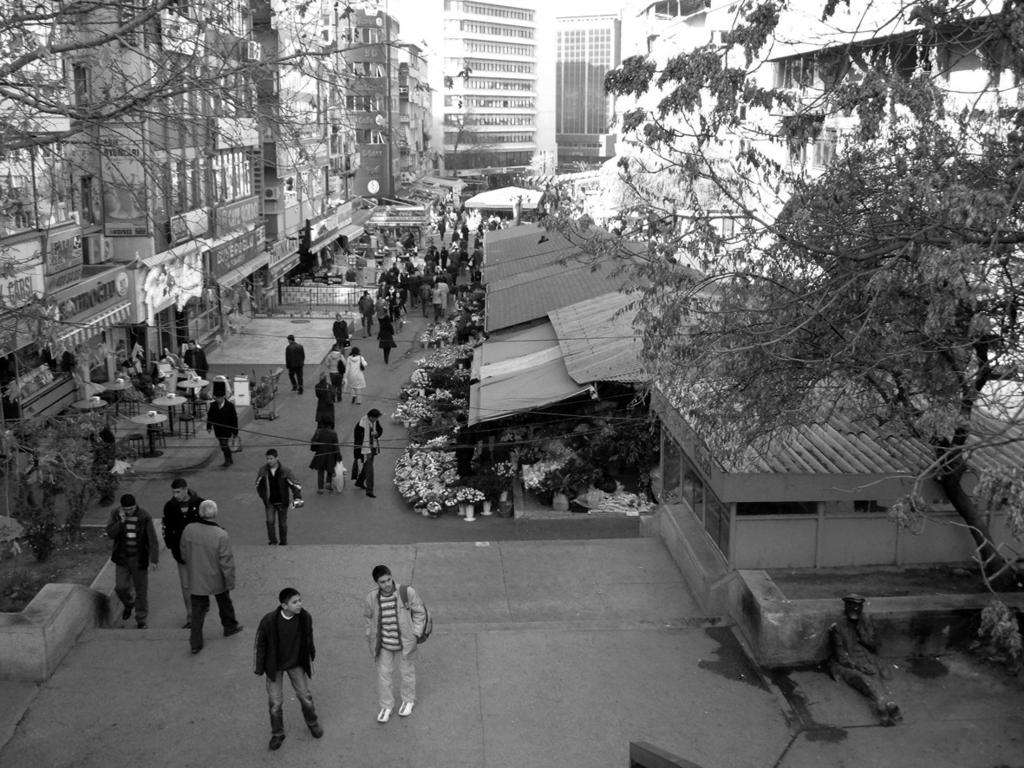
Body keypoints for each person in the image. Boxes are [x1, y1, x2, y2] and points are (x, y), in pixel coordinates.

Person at [254, 587, 323, 750]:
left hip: (296, 663)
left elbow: (308, 639)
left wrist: (310, 656)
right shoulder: (269, 620)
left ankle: (312, 722)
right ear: (284, 606)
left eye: (300, 600)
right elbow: (260, 644)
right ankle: (277, 733)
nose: (299, 604)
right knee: (275, 702)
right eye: (295, 602)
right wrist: (259, 666)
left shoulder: (305, 617)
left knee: (305, 695)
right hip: (274, 666)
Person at [363, 565, 426, 723]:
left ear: (392, 576)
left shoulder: (406, 592)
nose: (387, 584)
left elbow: (419, 612)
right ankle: (386, 705)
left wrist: (416, 633)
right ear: (377, 583)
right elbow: (368, 618)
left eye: (389, 579)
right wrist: (369, 634)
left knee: (407, 673)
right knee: (384, 676)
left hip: (405, 643)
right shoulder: (371, 597)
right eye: (382, 582)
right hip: (383, 643)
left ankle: (408, 700)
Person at [828, 594, 902, 726]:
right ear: (847, 607)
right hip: (849, 662)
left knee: (878, 675)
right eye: (852, 606)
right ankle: (881, 702)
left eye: (858, 606)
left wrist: (861, 633)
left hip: (866, 658)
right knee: (863, 678)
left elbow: (874, 645)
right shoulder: (838, 627)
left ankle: (888, 703)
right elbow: (840, 655)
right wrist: (856, 665)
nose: (855, 609)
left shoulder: (865, 622)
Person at [181, 500, 242, 654]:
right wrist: (229, 581)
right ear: (215, 513)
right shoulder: (221, 535)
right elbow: (226, 561)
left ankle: (195, 642)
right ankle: (230, 626)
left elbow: (183, 552)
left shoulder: (189, 529)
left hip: (197, 577)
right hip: (216, 577)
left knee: (197, 611)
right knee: (224, 602)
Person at [105, 493, 159, 629]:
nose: (129, 512)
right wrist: (121, 522)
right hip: (122, 558)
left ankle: (141, 619)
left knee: (141, 590)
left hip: (139, 558)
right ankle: (129, 604)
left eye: (131, 509)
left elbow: (152, 538)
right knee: (120, 587)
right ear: (122, 508)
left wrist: (154, 559)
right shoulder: (116, 514)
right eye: (126, 509)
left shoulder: (144, 516)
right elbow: (110, 534)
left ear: (135, 506)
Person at [162, 478, 205, 629]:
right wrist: (171, 545)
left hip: (199, 553)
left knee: (199, 583)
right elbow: (167, 527)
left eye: (178, 492)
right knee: (186, 586)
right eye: (173, 492)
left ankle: (203, 604)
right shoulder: (170, 507)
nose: (175, 495)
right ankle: (191, 617)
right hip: (181, 554)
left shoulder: (200, 504)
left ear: (186, 489)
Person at [255, 449, 303, 546]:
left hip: (282, 502)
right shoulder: (263, 470)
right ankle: (273, 541)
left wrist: (297, 497)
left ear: (277, 458)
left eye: (271, 458)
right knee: (270, 522)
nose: (269, 461)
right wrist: (263, 496)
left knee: (282, 524)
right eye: (267, 459)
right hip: (270, 503)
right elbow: (258, 485)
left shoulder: (285, 471)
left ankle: (283, 542)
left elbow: (295, 485)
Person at [352, 408, 383, 498]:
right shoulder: (361, 424)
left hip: (372, 447)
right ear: (371, 417)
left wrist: (376, 434)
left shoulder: (375, 422)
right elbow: (358, 439)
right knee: (370, 469)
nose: (377, 420)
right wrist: (370, 436)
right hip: (364, 449)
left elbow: (380, 430)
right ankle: (370, 490)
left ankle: (360, 482)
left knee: (366, 466)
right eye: (376, 418)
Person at [206, 386, 239, 468]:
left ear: (223, 397)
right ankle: (229, 458)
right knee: (222, 445)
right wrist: (209, 426)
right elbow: (210, 416)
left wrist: (235, 431)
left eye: (220, 398)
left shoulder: (230, 406)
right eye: (217, 398)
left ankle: (227, 460)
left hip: (227, 430)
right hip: (218, 429)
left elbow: (234, 419)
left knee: (224, 445)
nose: (218, 400)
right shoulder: (213, 405)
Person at [309, 419, 341, 494]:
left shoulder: (318, 431)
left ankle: (320, 489)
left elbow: (313, 442)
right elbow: (336, 446)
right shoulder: (333, 433)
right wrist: (338, 456)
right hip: (330, 455)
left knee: (320, 471)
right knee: (330, 470)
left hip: (320, 454)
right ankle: (328, 484)